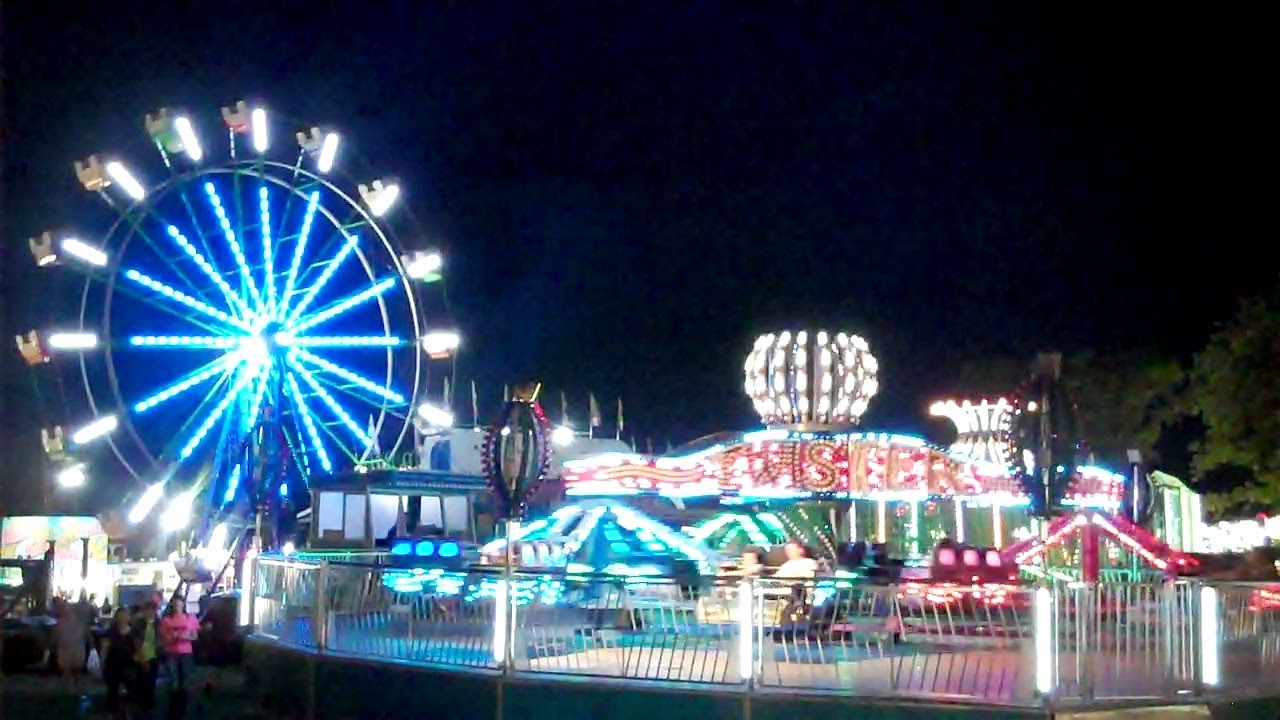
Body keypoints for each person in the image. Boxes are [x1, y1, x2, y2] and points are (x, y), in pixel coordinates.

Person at [159, 597, 198, 719]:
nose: (177, 607)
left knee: (185, 681)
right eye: (175, 604)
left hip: (186, 652)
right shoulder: (166, 621)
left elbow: (195, 636)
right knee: (174, 681)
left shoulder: (190, 619)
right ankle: (173, 710)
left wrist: (185, 637)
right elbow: (164, 638)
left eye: (179, 604)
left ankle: (183, 709)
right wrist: (173, 637)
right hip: (172, 653)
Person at [102, 608, 138, 719]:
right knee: (112, 690)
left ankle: (126, 712)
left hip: (128, 664)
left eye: (124, 616)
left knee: (129, 689)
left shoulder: (133, 631)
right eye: (120, 616)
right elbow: (105, 647)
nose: (122, 619)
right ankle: (112, 713)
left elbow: (137, 648)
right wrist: (102, 661)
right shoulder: (111, 631)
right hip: (112, 664)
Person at [132, 601, 162, 717]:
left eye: (153, 610)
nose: (151, 613)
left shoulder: (157, 623)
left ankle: (149, 710)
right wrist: (142, 659)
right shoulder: (138, 624)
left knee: (151, 684)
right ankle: (141, 711)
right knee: (142, 685)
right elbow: (137, 643)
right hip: (141, 657)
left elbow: (160, 639)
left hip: (153, 657)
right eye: (149, 610)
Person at [54, 599, 88, 692]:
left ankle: (74, 690)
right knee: (67, 672)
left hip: (75, 649)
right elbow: (56, 637)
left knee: (76, 671)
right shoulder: (61, 622)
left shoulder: (77, 622)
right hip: (67, 650)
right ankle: (70, 690)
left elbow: (85, 635)